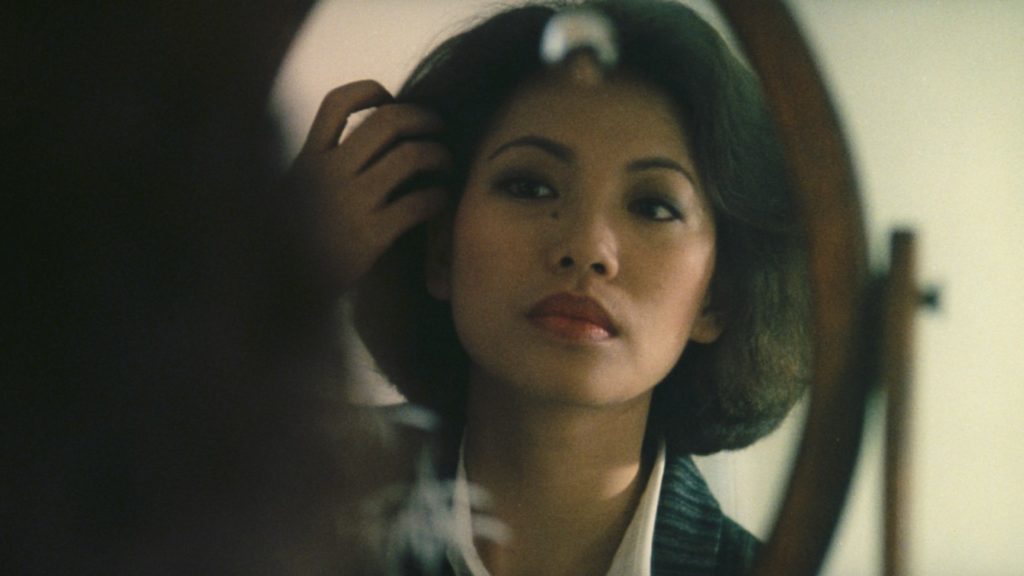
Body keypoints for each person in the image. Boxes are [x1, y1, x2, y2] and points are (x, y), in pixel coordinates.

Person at [289, 1, 809, 574]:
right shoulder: (285, 519)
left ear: (717, 297)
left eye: (653, 206)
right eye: (530, 186)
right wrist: (272, 280)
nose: (587, 249)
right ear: (442, 250)